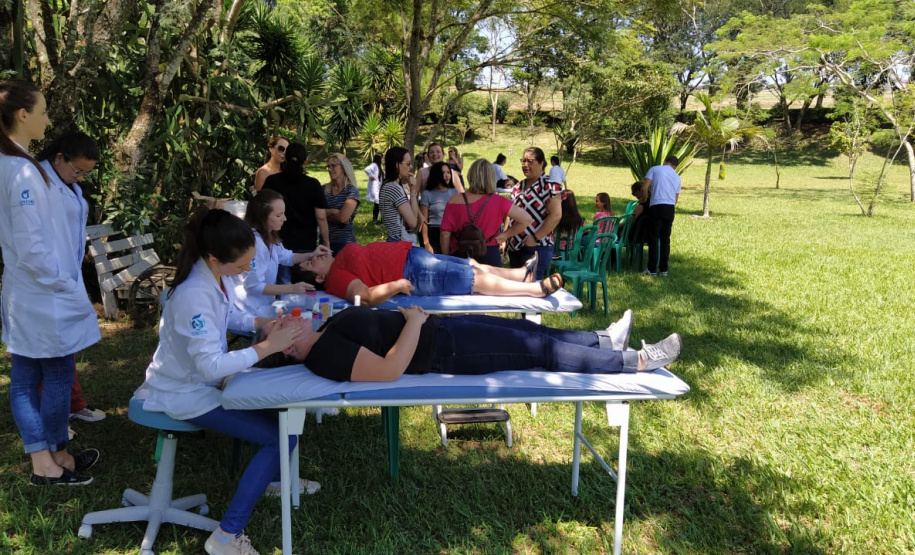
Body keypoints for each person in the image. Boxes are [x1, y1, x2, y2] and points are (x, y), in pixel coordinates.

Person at [139, 207, 320, 555]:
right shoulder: (194, 293)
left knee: (287, 423)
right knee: (278, 437)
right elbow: (209, 367)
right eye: (241, 266)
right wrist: (268, 347)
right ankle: (225, 536)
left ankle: (269, 479)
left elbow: (228, 315)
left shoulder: (210, 276)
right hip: (185, 393)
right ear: (214, 258)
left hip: (202, 382)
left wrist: (261, 325)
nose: (248, 271)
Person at [1, 80, 100, 486]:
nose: (47, 119)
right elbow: (32, 247)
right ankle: (45, 461)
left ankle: (56, 452)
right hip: (41, 292)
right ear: (22, 115)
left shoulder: (16, 163)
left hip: (34, 291)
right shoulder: (23, 171)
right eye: (42, 111)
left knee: (29, 373)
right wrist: (63, 282)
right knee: (51, 375)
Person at [256, 308, 682, 383]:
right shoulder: (322, 356)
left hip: (442, 331)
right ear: (289, 349)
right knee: (536, 352)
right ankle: (637, 362)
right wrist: (412, 322)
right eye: (278, 327)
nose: (281, 320)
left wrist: (415, 320)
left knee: (531, 333)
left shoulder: (323, 332)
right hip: (446, 351)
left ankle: (604, 340)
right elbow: (389, 370)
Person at [36, 133, 107, 425]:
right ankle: (51, 417)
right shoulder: (38, 180)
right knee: (49, 353)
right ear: (59, 157)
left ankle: (70, 402)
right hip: (46, 280)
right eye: (77, 170)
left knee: (67, 347)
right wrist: (54, 276)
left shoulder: (65, 182)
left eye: (86, 173)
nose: (80, 178)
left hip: (67, 276)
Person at [299, 241, 563, 306]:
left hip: (412, 257)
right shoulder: (335, 278)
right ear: (319, 279)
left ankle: (519, 274)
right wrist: (397, 284)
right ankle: (535, 289)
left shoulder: (337, 261)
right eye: (311, 264)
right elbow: (364, 297)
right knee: (473, 280)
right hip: (412, 272)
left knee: (471, 266)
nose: (316, 257)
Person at [235, 189, 331, 317]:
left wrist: (311, 254)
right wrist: (291, 288)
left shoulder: (270, 236)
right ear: (262, 216)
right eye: (279, 215)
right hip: (251, 309)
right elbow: (254, 286)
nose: (284, 219)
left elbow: (287, 257)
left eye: (284, 214)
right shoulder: (256, 245)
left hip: (264, 304)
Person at [441, 158, 532, 267]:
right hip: (489, 254)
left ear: (470, 175)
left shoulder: (455, 199)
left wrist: (446, 258)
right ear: (491, 178)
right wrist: (505, 235)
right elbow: (526, 219)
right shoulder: (499, 201)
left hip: (460, 254)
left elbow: (445, 233)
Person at [262, 143, 329, 282]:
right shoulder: (313, 184)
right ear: (305, 161)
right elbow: (321, 217)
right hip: (305, 241)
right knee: (302, 285)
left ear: (285, 158)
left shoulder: (272, 181)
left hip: (278, 240)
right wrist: (326, 242)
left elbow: (261, 209)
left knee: (281, 284)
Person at [505, 146, 563, 281]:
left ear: (541, 163)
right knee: (515, 288)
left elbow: (556, 215)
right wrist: (505, 236)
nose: (525, 165)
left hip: (537, 247)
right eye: (523, 161)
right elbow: (510, 212)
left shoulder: (549, 185)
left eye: (530, 161)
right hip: (514, 246)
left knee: (529, 287)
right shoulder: (518, 186)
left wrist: (535, 238)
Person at [640, 155, 681, 277]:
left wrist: (645, 198)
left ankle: (652, 269)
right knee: (665, 239)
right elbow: (676, 198)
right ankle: (664, 270)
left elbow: (644, 187)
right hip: (670, 208)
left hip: (657, 206)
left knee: (653, 238)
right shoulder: (677, 177)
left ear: (665, 161)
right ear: (675, 166)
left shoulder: (655, 169)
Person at [379, 146, 422, 244]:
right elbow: (413, 223)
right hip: (399, 244)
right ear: (397, 165)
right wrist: (413, 191)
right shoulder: (394, 188)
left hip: (394, 241)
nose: (411, 167)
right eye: (408, 164)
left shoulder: (388, 185)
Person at [322, 153, 360, 254]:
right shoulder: (324, 190)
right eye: (328, 166)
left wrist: (324, 215)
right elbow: (315, 214)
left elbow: (343, 218)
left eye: (333, 166)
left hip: (345, 244)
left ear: (343, 167)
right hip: (325, 243)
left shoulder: (351, 190)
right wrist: (334, 211)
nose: (329, 169)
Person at [419, 161, 459, 254]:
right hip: (434, 232)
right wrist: (426, 242)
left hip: (452, 233)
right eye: (443, 173)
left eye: (448, 172)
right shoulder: (427, 194)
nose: (446, 175)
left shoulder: (455, 193)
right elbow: (424, 221)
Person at [363, 153, 384, 224]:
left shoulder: (379, 166)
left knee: (380, 203)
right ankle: (375, 220)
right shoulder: (374, 165)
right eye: (382, 158)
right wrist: (371, 176)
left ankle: (381, 220)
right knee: (378, 203)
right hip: (375, 187)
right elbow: (366, 169)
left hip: (379, 187)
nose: (383, 160)